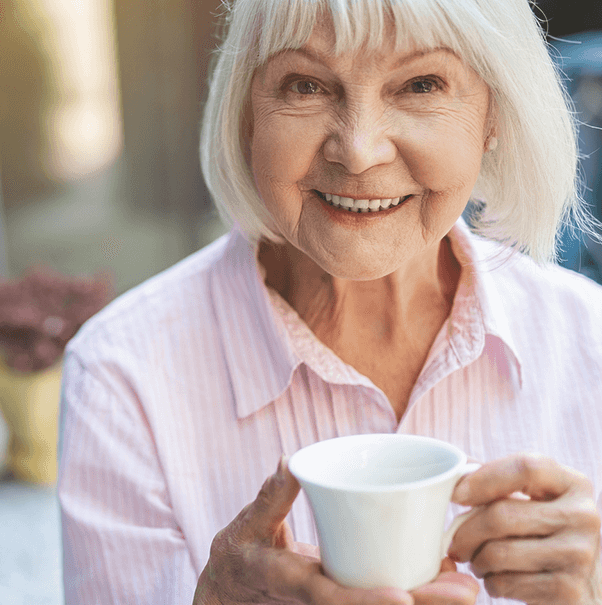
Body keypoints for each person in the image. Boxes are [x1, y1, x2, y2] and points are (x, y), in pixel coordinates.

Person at [57, 0, 602, 604]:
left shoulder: (589, 338)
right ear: (247, 115)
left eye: (422, 84)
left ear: (493, 114)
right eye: (307, 85)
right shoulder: (118, 377)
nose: (359, 149)